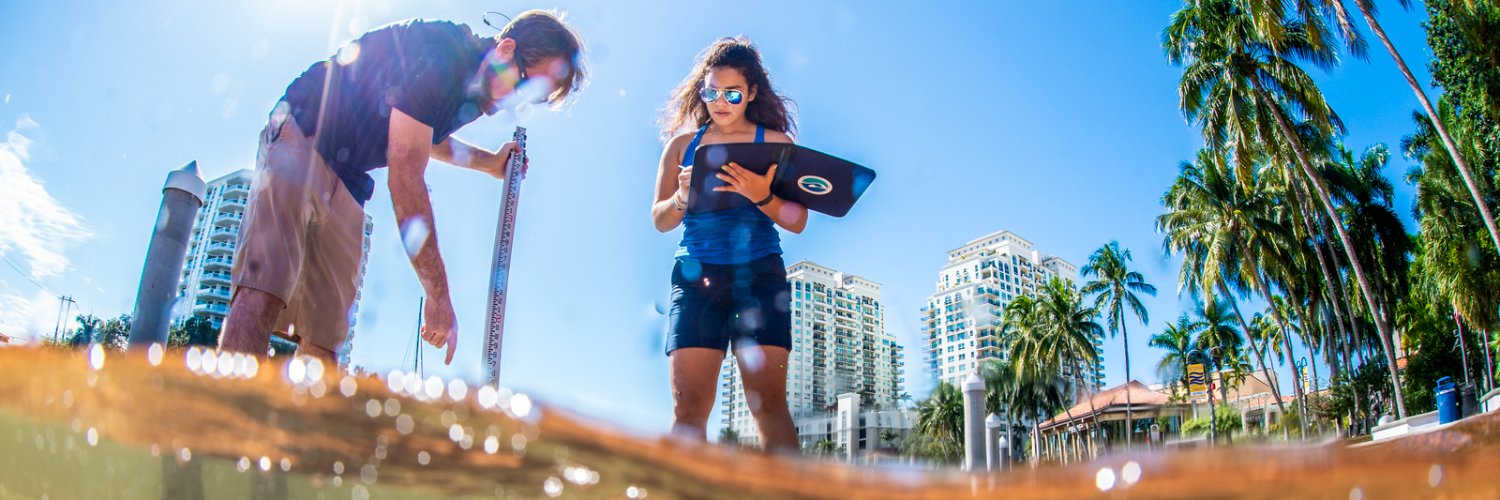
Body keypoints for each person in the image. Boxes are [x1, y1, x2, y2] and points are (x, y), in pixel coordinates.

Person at [219, 10, 586, 366]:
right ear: (506, 50)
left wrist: (489, 163)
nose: (517, 102)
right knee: (262, 289)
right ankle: (224, 416)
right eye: (525, 84)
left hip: (350, 174)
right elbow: (405, 171)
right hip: (305, 128)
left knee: (324, 336)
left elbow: (423, 135)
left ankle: (303, 425)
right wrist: (438, 295)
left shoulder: (477, 90)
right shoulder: (444, 53)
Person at [651, 37, 806, 453]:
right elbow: (659, 219)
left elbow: (798, 221)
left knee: (769, 404)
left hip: (760, 276)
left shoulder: (778, 145)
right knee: (688, 413)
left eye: (732, 93)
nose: (720, 101)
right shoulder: (682, 147)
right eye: (711, 92)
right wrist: (682, 199)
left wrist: (762, 194)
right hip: (696, 278)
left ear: (751, 93)